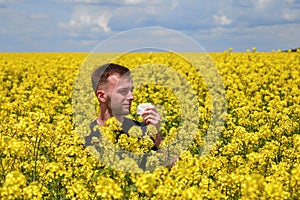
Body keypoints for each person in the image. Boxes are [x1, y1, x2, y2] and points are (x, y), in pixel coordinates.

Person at [85, 63, 163, 151]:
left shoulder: (142, 130)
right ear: (101, 96)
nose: (131, 97)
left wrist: (156, 134)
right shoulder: (85, 137)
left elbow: (171, 164)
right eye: (123, 91)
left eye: (131, 90)